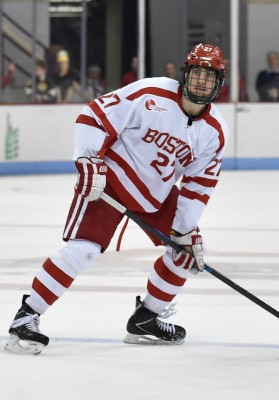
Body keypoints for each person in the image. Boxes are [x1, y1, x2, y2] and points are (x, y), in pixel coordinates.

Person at [5, 43, 228, 355]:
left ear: (218, 84)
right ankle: (26, 317)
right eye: (197, 72)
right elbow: (92, 116)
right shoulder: (151, 93)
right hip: (109, 182)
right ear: (185, 74)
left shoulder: (215, 131)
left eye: (209, 76)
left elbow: (199, 183)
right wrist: (87, 160)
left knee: (187, 250)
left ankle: (146, 319)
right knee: (83, 250)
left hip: (157, 194)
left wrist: (186, 228)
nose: (201, 81)